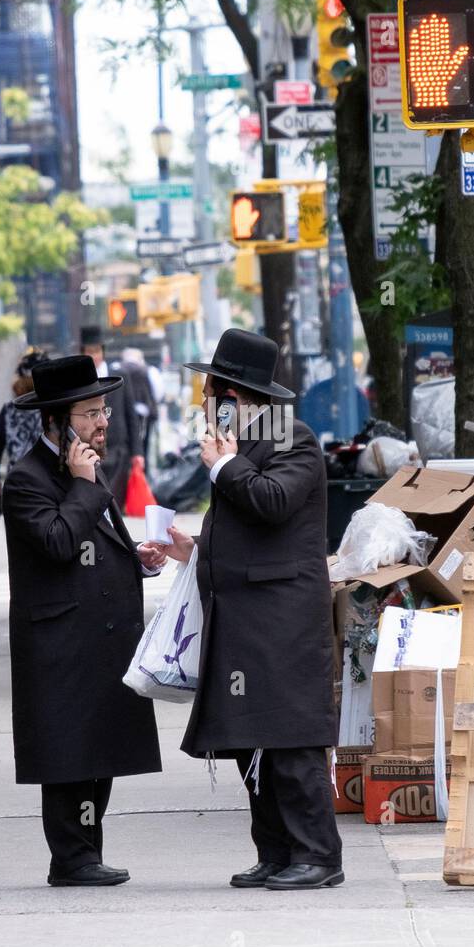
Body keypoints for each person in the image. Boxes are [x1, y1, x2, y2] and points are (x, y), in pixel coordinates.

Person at [155, 329, 343, 891]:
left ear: (236, 396)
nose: (204, 404)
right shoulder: (238, 447)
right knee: (250, 741)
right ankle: (277, 851)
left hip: (282, 618)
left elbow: (273, 502)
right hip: (239, 616)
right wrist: (195, 551)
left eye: (210, 392)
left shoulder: (295, 440)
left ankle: (318, 855)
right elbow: (242, 524)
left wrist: (222, 468)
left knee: (289, 740)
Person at [1, 355, 163, 887]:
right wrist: (82, 484)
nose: (102, 421)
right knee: (69, 752)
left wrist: (131, 554)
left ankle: (86, 854)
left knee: (100, 746)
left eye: (104, 410)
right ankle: (71, 858)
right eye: (90, 412)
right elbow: (57, 541)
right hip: (59, 640)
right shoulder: (26, 478)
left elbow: (91, 536)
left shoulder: (84, 469)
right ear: (56, 420)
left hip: (101, 634)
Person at [79, 326, 141, 503]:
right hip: (91, 449)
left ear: (103, 352)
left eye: (97, 351)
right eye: (89, 352)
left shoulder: (119, 375)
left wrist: (138, 452)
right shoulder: (80, 381)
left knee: (115, 502)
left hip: (119, 449)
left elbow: (131, 415)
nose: (94, 356)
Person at [0, 349, 48, 523]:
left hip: (17, 486)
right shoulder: (55, 409)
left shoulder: (9, 411)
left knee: (19, 545)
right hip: (49, 487)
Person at [122, 347, 159, 465]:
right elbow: (157, 392)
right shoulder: (148, 370)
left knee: (127, 445)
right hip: (144, 413)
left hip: (124, 414)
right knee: (144, 446)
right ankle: (143, 473)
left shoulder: (119, 370)